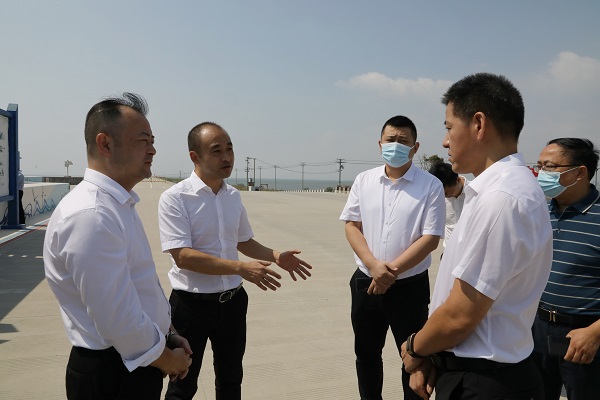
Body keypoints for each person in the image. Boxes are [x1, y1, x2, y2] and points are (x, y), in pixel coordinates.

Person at [401, 73, 553, 400]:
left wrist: (414, 348)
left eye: (449, 127)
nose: (445, 141)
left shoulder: (501, 199)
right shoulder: (502, 191)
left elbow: (460, 315)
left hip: (484, 382)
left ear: (478, 124)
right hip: (476, 370)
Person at [43, 93, 192, 400]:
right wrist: (168, 360)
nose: (153, 150)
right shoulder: (91, 214)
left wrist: (169, 333)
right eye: (143, 140)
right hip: (113, 375)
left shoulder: (116, 205)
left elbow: (138, 287)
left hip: (134, 362)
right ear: (105, 144)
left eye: (153, 141)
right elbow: (117, 319)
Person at [158, 121, 313, 400]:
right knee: (183, 384)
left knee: (231, 380)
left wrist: (275, 256)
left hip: (232, 303)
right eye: (216, 150)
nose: (227, 157)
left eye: (230, 149)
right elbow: (183, 256)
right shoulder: (175, 198)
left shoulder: (232, 195)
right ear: (195, 156)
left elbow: (242, 241)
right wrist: (240, 268)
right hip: (191, 305)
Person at [339, 115, 445, 400]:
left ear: (415, 147)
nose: (396, 145)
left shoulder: (430, 185)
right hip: (366, 283)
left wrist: (390, 272)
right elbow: (351, 226)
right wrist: (374, 266)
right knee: (366, 354)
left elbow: (431, 238)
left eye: (403, 141)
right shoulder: (364, 180)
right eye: (390, 140)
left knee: (414, 360)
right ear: (380, 144)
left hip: (409, 287)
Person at [532, 138, 600, 400]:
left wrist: (594, 333)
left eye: (549, 167)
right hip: (537, 329)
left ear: (580, 172)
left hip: (584, 335)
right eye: (539, 166)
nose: (541, 173)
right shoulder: (539, 211)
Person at [427, 162, 469, 250]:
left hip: (470, 250)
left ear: (458, 180)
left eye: (449, 193)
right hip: (449, 251)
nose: (446, 197)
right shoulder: (436, 197)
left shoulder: (475, 193)